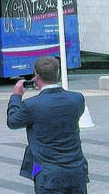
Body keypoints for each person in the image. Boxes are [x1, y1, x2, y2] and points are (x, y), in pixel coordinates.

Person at [7, 56, 89, 194]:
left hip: (48, 176)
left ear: (36, 76)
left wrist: (16, 96)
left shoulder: (31, 105)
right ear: (58, 74)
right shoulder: (77, 98)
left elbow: (12, 121)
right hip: (77, 172)